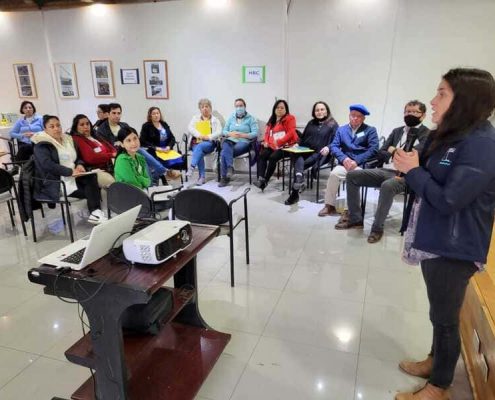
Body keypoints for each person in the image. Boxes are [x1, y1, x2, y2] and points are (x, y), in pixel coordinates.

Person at [393, 68, 495, 400]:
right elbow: (432, 171)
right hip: (437, 239)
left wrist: (413, 171)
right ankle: (435, 360)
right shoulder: (453, 134)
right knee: (439, 312)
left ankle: (439, 386)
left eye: (441, 94)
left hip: (455, 246)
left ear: (464, 100)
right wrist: (412, 161)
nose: (433, 101)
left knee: (446, 318)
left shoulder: (482, 144)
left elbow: (450, 199)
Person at [335, 100, 430, 243]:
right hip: (386, 169)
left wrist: (393, 150)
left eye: (415, 112)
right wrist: (395, 153)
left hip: (407, 175)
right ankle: (355, 219)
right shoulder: (397, 131)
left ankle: (377, 228)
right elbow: (381, 152)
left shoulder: (427, 134)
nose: (410, 114)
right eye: (407, 111)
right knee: (352, 175)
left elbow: (414, 155)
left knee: (387, 186)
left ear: (423, 115)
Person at [32, 115, 106, 225]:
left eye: (58, 125)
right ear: (45, 129)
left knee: (91, 177)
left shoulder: (67, 139)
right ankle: (95, 212)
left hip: (74, 177)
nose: (56, 128)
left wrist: (79, 165)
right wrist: (70, 172)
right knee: (92, 191)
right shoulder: (41, 144)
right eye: (52, 126)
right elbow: (47, 165)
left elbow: (77, 157)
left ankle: (95, 213)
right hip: (57, 182)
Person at [317, 104, 378, 216]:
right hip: (344, 164)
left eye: (359, 116)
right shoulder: (341, 130)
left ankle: (351, 210)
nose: (355, 118)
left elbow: (373, 149)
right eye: (353, 115)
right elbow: (334, 146)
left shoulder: (370, 130)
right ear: (349, 115)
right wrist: (344, 158)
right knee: (334, 174)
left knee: (354, 178)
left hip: (360, 165)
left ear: (363, 118)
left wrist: (357, 161)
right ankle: (329, 205)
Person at [95, 103, 167, 184]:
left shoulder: (124, 125)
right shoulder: (101, 130)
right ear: (108, 114)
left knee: (141, 158)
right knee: (140, 151)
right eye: (114, 113)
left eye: (119, 113)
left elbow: (133, 138)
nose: (117, 116)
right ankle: (162, 171)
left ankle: (151, 183)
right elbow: (107, 148)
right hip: (117, 154)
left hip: (131, 151)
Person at [284, 101, 338, 205]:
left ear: (326, 111)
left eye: (322, 109)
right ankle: (299, 178)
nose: (319, 112)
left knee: (299, 165)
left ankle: (295, 193)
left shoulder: (332, 124)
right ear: (314, 112)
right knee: (294, 153)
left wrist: (328, 147)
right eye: (317, 110)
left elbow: (336, 141)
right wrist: (297, 144)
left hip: (321, 153)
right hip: (306, 150)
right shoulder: (311, 123)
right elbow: (303, 137)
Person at [254, 99, 298, 191]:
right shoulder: (272, 119)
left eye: (282, 108)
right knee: (262, 154)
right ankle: (261, 179)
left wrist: (279, 142)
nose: (279, 109)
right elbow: (267, 133)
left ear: (286, 109)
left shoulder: (290, 118)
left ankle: (265, 181)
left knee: (273, 157)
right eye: (277, 107)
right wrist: (266, 142)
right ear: (274, 109)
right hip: (273, 146)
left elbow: (291, 132)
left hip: (286, 146)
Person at [218, 98, 258, 187]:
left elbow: (255, 133)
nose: (239, 108)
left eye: (241, 106)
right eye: (237, 106)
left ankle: (224, 177)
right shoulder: (231, 117)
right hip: (230, 140)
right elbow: (224, 131)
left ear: (245, 106)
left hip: (243, 141)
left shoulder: (251, 119)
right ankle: (230, 167)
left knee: (224, 153)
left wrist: (243, 135)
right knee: (226, 145)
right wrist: (230, 133)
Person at [70, 114, 116, 189]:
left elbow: (112, 149)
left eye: (87, 124)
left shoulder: (95, 136)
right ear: (76, 127)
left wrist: (112, 154)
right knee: (112, 183)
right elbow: (91, 158)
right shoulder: (77, 138)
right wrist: (111, 155)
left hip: (109, 167)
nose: (86, 126)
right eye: (82, 125)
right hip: (94, 171)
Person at [140, 107, 182, 181]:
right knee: (158, 162)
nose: (156, 115)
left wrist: (169, 146)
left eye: (157, 113)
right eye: (154, 114)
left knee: (176, 159)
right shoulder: (146, 126)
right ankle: (160, 176)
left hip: (166, 150)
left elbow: (172, 138)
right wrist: (156, 148)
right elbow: (143, 141)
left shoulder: (164, 124)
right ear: (150, 116)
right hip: (154, 150)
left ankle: (163, 176)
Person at [186, 98, 222, 185]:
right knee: (199, 151)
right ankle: (201, 177)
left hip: (209, 143)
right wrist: (199, 135)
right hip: (197, 141)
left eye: (207, 106)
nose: (205, 109)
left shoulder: (215, 120)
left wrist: (208, 137)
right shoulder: (195, 118)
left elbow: (219, 131)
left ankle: (192, 167)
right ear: (200, 109)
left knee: (199, 147)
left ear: (210, 108)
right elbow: (190, 128)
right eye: (202, 107)